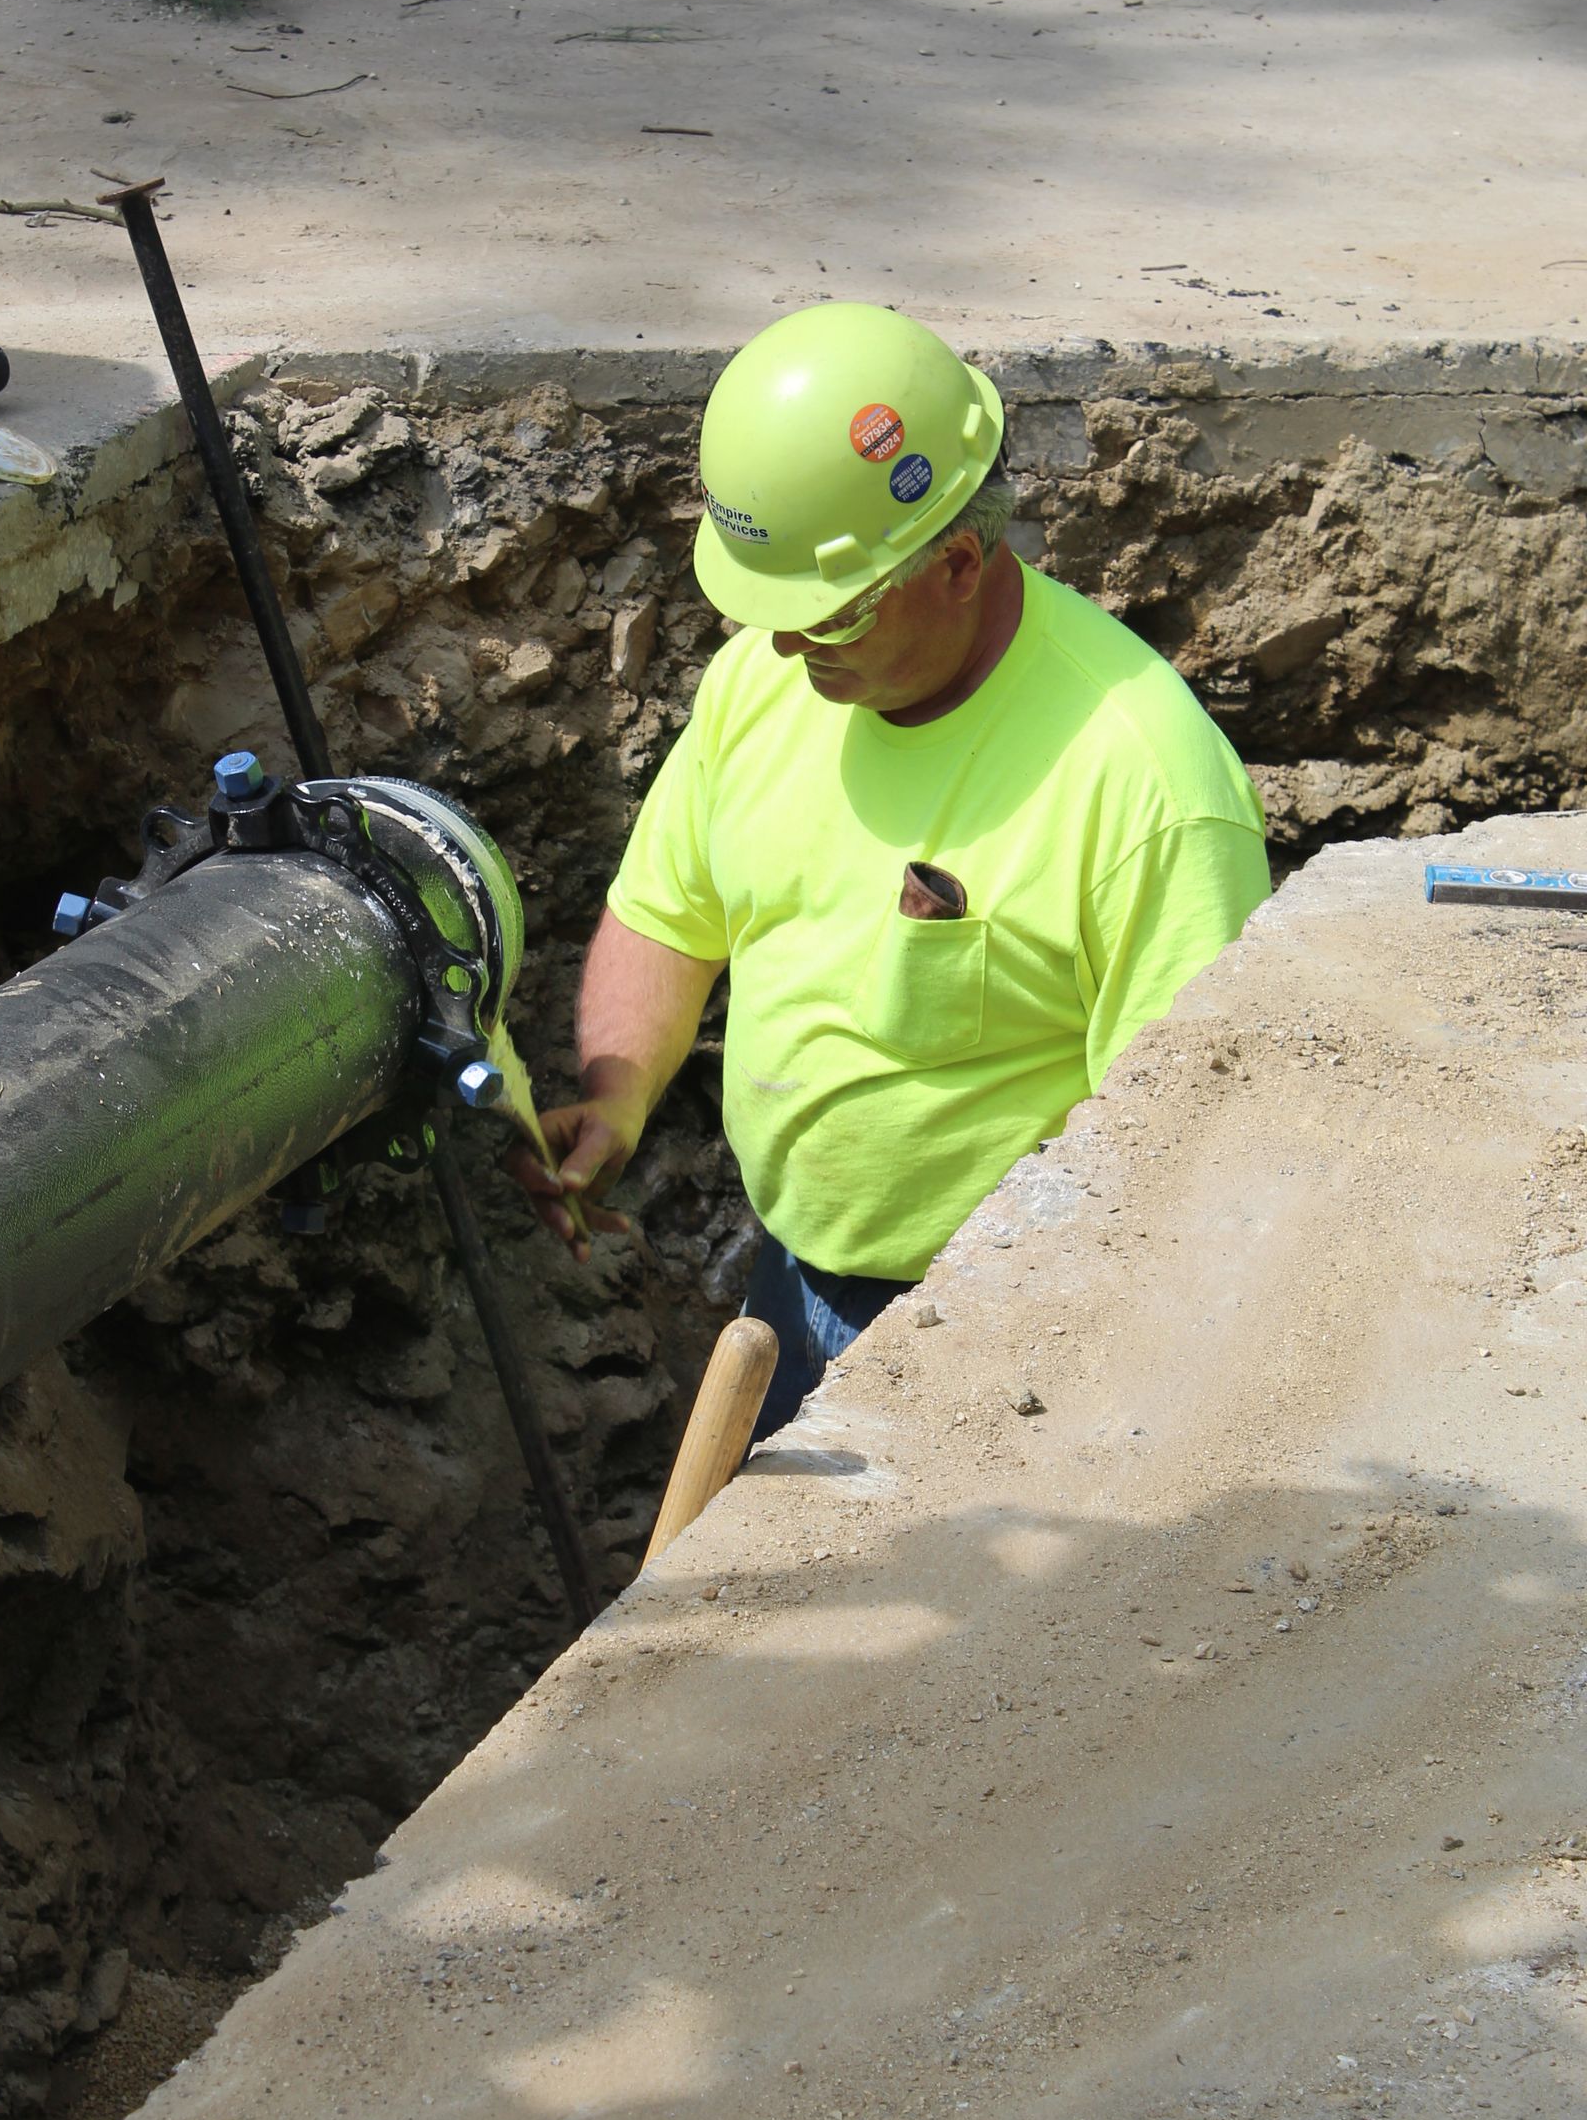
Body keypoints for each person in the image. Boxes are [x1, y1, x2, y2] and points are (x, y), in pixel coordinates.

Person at [511, 303, 1271, 1442]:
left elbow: (1186, 1150)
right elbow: (670, 913)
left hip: (1006, 1343)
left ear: (958, 563)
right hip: (791, 1285)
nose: (783, 646)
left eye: (822, 617)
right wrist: (617, 1098)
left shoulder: (1147, 788)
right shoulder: (767, 683)